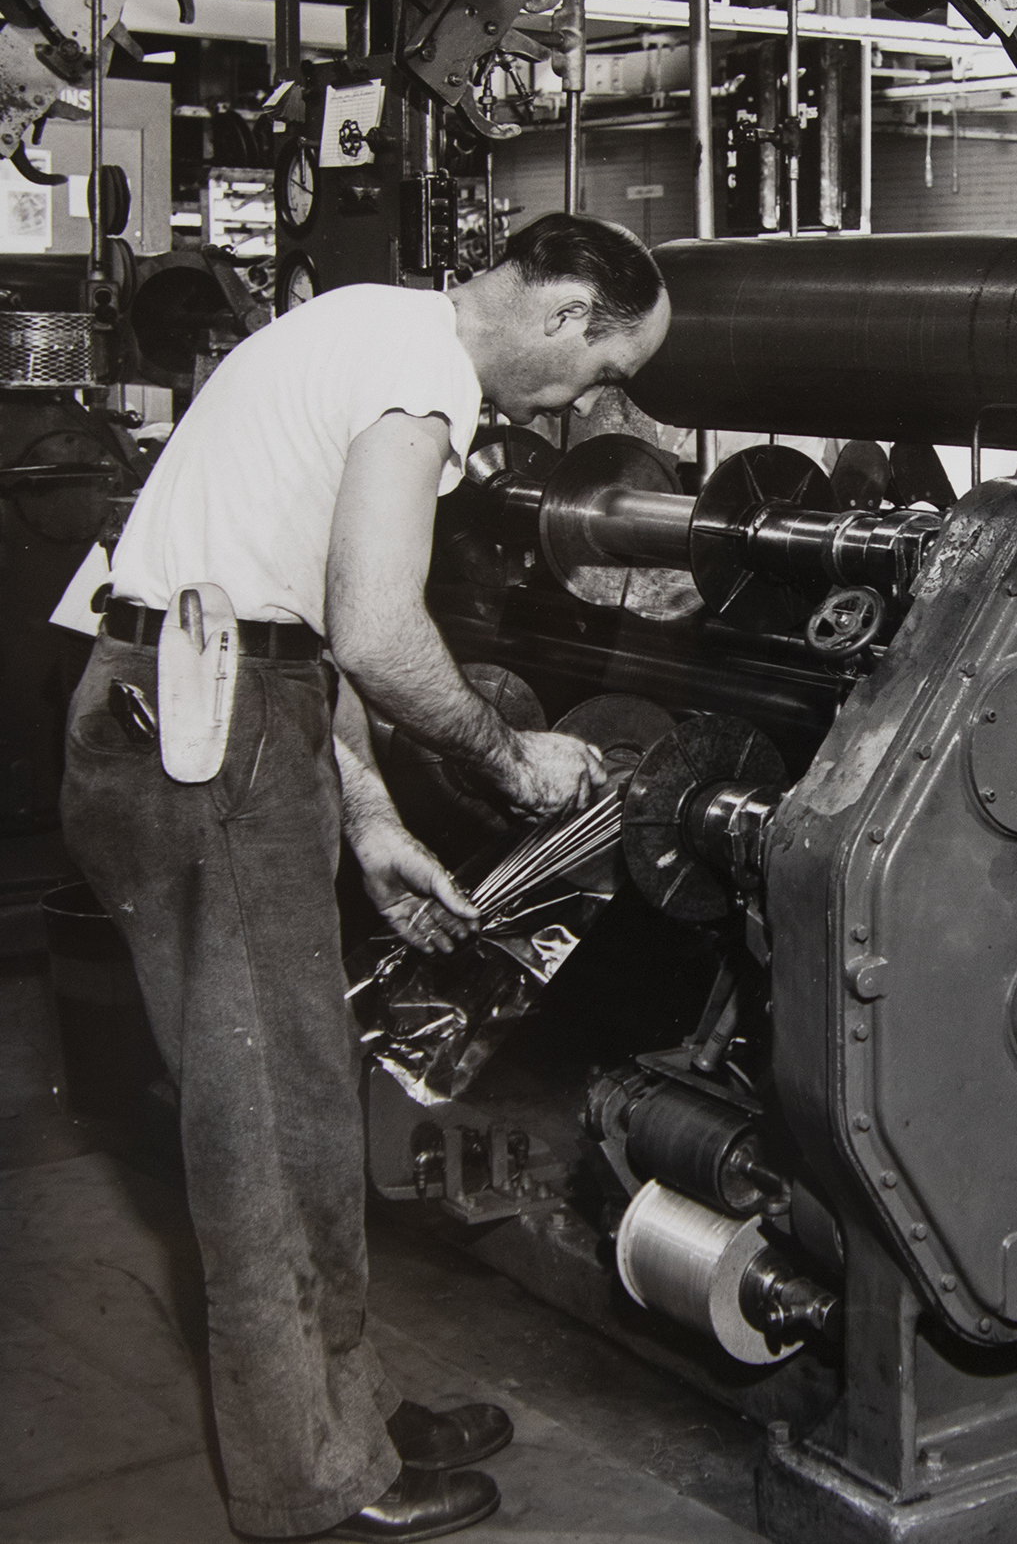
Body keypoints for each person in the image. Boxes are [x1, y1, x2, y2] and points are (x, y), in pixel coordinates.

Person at [58, 213, 671, 1541]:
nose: (591, 403)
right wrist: (513, 761)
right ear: (562, 314)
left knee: (301, 1096)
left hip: (213, 700)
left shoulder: (362, 327)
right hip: (205, 738)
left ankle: (349, 1406)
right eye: (605, 370)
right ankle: (315, 1483)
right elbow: (379, 635)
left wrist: (377, 819)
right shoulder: (422, 376)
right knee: (272, 1130)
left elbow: (286, 622)